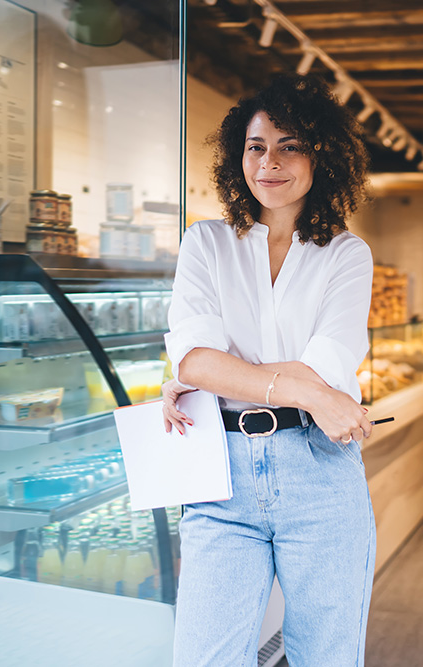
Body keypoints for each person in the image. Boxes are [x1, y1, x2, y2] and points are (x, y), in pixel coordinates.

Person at [159, 75, 376, 667]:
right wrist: (204, 369)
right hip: (220, 474)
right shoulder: (205, 243)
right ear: (239, 157)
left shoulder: (347, 254)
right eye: (257, 147)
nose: (270, 162)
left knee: (325, 658)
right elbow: (196, 360)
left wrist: (213, 372)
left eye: (290, 145)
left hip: (319, 472)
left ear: (320, 155)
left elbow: (324, 367)